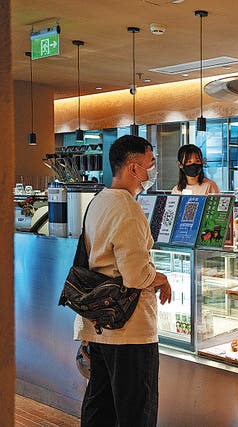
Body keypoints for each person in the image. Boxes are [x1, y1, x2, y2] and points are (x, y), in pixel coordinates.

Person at [74, 134, 172, 426]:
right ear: (133, 168)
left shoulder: (98, 201)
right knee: (136, 409)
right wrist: (161, 277)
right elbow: (136, 274)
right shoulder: (128, 208)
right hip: (129, 329)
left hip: (99, 323)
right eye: (150, 164)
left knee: (99, 404)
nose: (152, 171)